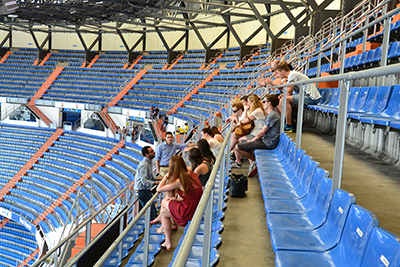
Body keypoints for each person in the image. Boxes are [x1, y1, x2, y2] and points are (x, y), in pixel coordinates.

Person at [156, 155, 203, 251]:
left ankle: (166, 233)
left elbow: (159, 189)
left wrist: (166, 176)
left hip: (187, 212)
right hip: (196, 207)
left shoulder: (179, 181)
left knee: (164, 202)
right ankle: (167, 240)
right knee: (164, 212)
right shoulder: (191, 174)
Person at [236, 94, 281, 177]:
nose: (262, 103)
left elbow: (262, 132)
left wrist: (252, 140)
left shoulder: (272, 115)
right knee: (244, 145)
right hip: (265, 140)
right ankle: (254, 163)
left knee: (238, 147)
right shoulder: (271, 114)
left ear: (269, 103)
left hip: (268, 143)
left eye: (264, 101)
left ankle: (255, 161)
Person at [274, 61, 321, 132]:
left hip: (311, 98)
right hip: (305, 96)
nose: (277, 75)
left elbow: (289, 92)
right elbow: (289, 91)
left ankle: (289, 125)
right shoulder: (291, 75)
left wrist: (283, 82)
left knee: (284, 100)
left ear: (283, 71)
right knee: (279, 99)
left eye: (278, 73)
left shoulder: (292, 75)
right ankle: (283, 121)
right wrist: (283, 94)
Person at [231, 94, 266, 168]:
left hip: (256, 134)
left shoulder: (257, 111)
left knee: (240, 141)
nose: (248, 104)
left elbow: (245, 120)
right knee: (239, 139)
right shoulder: (256, 110)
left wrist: (236, 125)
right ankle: (252, 163)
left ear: (252, 102)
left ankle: (253, 161)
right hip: (255, 133)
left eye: (249, 102)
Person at [134, 146, 161, 220]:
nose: (154, 152)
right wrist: (156, 183)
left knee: (152, 210)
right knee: (151, 212)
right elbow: (144, 181)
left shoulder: (148, 163)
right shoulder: (144, 164)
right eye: (151, 151)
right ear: (146, 154)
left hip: (145, 190)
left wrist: (163, 178)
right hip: (142, 190)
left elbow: (152, 177)